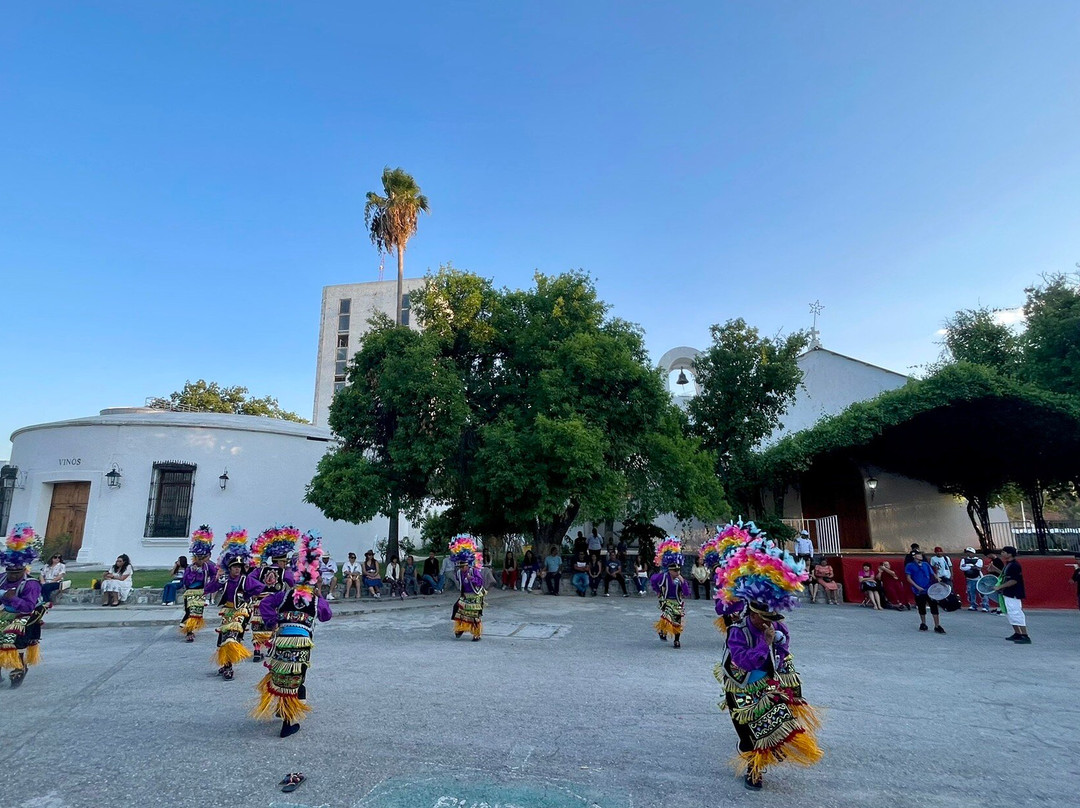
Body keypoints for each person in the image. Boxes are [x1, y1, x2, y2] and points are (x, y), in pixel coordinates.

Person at [713, 531, 819, 790]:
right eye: (764, 619)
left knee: (772, 731)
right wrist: (765, 643)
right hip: (740, 689)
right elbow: (743, 661)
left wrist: (780, 647)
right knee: (748, 737)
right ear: (752, 611)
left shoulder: (775, 628)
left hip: (768, 686)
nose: (768, 624)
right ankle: (751, 763)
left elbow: (783, 653)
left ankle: (756, 769)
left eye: (772, 619)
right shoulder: (737, 631)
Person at [253, 530, 332, 738]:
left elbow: (265, 604)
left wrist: (274, 621)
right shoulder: (315, 600)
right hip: (301, 643)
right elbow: (326, 616)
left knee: (280, 675)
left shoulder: (285, 594)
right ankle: (288, 723)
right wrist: (319, 595)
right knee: (297, 680)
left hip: (282, 641)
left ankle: (283, 709)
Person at [205, 530, 264, 681]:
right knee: (223, 639)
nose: (237, 569)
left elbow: (260, 587)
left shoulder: (245, 580)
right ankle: (226, 664)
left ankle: (229, 667)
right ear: (229, 568)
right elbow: (210, 588)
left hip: (241, 611)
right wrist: (213, 582)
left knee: (232, 637)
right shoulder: (224, 579)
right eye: (234, 567)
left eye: (239, 566)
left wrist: (248, 596)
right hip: (228, 611)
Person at [0, 524, 48, 687]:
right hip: (6, 612)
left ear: (24, 569)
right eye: (10, 572)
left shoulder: (31, 584)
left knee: (12, 635)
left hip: (25, 616)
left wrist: (13, 599)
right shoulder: (2, 578)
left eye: (16, 572)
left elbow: (28, 607)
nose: (12, 575)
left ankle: (19, 667)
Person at [248, 525, 300, 662]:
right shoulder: (285, 573)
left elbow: (249, 579)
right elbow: (293, 585)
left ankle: (257, 651)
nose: (285, 563)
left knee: (258, 626)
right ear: (280, 561)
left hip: (259, 601)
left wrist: (259, 589)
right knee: (272, 625)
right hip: (273, 603)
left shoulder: (260, 570)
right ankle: (271, 648)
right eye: (284, 561)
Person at [180, 526, 219, 642]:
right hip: (190, 592)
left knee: (197, 613)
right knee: (190, 611)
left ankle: (188, 627)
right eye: (198, 558)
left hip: (201, 592)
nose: (200, 560)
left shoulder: (209, 566)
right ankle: (189, 632)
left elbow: (215, 576)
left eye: (203, 557)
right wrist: (193, 573)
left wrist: (211, 585)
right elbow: (185, 581)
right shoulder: (190, 568)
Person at [650, 539, 690, 648]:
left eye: (678, 571)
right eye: (675, 571)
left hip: (677, 602)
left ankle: (676, 640)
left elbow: (687, 593)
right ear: (670, 571)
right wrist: (658, 592)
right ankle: (663, 631)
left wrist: (683, 582)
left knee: (677, 620)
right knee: (666, 617)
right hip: (666, 601)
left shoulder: (680, 580)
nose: (677, 573)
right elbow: (653, 580)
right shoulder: (664, 576)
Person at [449, 535, 485, 641]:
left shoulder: (474, 571)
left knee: (474, 616)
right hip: (465, 595)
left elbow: (480, 582)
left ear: (468, 565)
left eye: (463, 566)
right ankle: (460, 629)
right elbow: (460, 581)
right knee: (458, 609)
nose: (461, 568)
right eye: (460, 566)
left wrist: (472, 579)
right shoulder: (460, 572)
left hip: (475, 595)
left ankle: (476, 634)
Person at [995, 546, 1030, 644]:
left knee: (1016, 613)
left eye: (1003, 552)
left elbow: (1014, 580)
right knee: (1009, 613)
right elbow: (1005, 576)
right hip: (1007, 592)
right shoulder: (1008, 564)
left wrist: (1000, 586)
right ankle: (1017, 633)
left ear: (1009, 554)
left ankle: (1025, 635)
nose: (1002, 554)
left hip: (1014, 593)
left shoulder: (1014, 565)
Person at [905, 550, 944, 634]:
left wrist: (937, 578)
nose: (920, 556)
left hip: (929, 589)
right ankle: (923, 623)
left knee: (934, 606)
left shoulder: (926, 564)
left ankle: (937, 625)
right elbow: (908, 578)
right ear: (914, 556)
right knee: (921, 607)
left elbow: (932, 574)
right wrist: (917, 587)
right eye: (918, 554)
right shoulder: (910, 565)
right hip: (918, 590)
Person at [959, 547, 987, 611]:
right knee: (971, 593)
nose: (969, 554)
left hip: (978, 578)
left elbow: (978, 567)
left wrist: (968, 565)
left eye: (970, 552)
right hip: (969, 578)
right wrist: (972, 566)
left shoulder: (979, 560)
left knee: (982, 592)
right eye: (968, 552)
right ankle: (973, 605)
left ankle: (985, 606)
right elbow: (962, 568)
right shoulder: (963, 560)